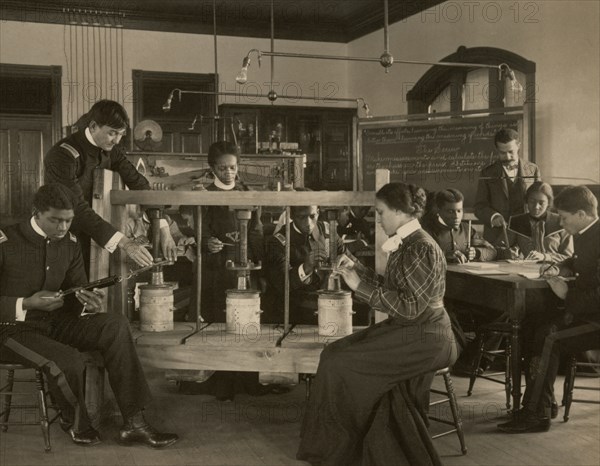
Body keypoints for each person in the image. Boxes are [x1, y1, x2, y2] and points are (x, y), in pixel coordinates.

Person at [0, 184, 179, 448]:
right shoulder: (6, 240)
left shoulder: (70, 243)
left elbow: (77, 290)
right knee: (69, 360)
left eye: (69, 221)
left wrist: (88, 303)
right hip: (11, 330)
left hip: (56, 323)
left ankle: (135, 422)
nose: (63, 228)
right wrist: (25, 303)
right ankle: (76, 422)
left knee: (115, 324)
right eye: (55, 220)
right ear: (36, 213)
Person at [297, 183, 457, 465]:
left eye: (381, 212)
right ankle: (340, 449)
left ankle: (338, 452)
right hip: (410, 330)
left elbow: (410, 307)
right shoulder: (406, 242)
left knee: (340, 363)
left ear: (400, 211)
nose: (378, 219)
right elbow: (395, 290)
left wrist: (360, 286)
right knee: (332, 353)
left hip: (426, 337)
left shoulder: (421, 247)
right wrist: (357, 269)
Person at [498, 185, 599, 433]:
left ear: (581, 214)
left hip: (596, 320)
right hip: (585, 313)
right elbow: (578, 261)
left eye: (564, 218)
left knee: (549, 337)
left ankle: (535, 414)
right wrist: (559, 267)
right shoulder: (587, 231)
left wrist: (566, 294)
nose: (562, 224)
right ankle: (542, 403)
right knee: (534, 326)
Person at [44, 99, 177, 272]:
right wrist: (124, 242)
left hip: (97, 236)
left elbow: (140, 185)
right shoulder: (63, 155)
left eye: (121, 134)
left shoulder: (110, 150)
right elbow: (75, 207)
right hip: (65, 238)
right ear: (93, 126)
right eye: (112, 133)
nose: (117, 140)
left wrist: (162, 226)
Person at [263, 202, 345, 325]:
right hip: (295, 311)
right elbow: (280, 283)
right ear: (291, 216)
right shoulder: (278, 242)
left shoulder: (328, 231)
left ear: (318, 212)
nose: (308, 223)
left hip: (327, 303)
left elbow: (346, 256)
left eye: (312, 216)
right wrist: (305, 268)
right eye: (301, 217)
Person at [475, 128, 541, 243]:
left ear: (518, 146)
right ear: (497, 149)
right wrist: (493, 216)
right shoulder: (487, 173)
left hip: (526, 235)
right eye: (502, 153)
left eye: (511, 152)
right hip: (497, 236)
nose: (507, 157)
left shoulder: (533, 169)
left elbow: (540, 200)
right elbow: (479, 206)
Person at [498, 182, 573, 263]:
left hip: (553, 271)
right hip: (525, 270)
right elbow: (498, 249)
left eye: (541, 203)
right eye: (532, 201)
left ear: (548, 203)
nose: (536, 207)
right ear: (526, 201)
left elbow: (570, 258)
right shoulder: (517, 222)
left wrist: (546, 257)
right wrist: (508, 253)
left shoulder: (561, 221)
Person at [423, 188, 497, 264]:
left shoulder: (467, 229)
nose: (456, 216)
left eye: (459, 211)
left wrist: (476, 253)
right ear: (438, 210)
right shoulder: (427, 230)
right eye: (450, 211)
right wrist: (445, 255)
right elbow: (420, 258)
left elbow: (492, 251)